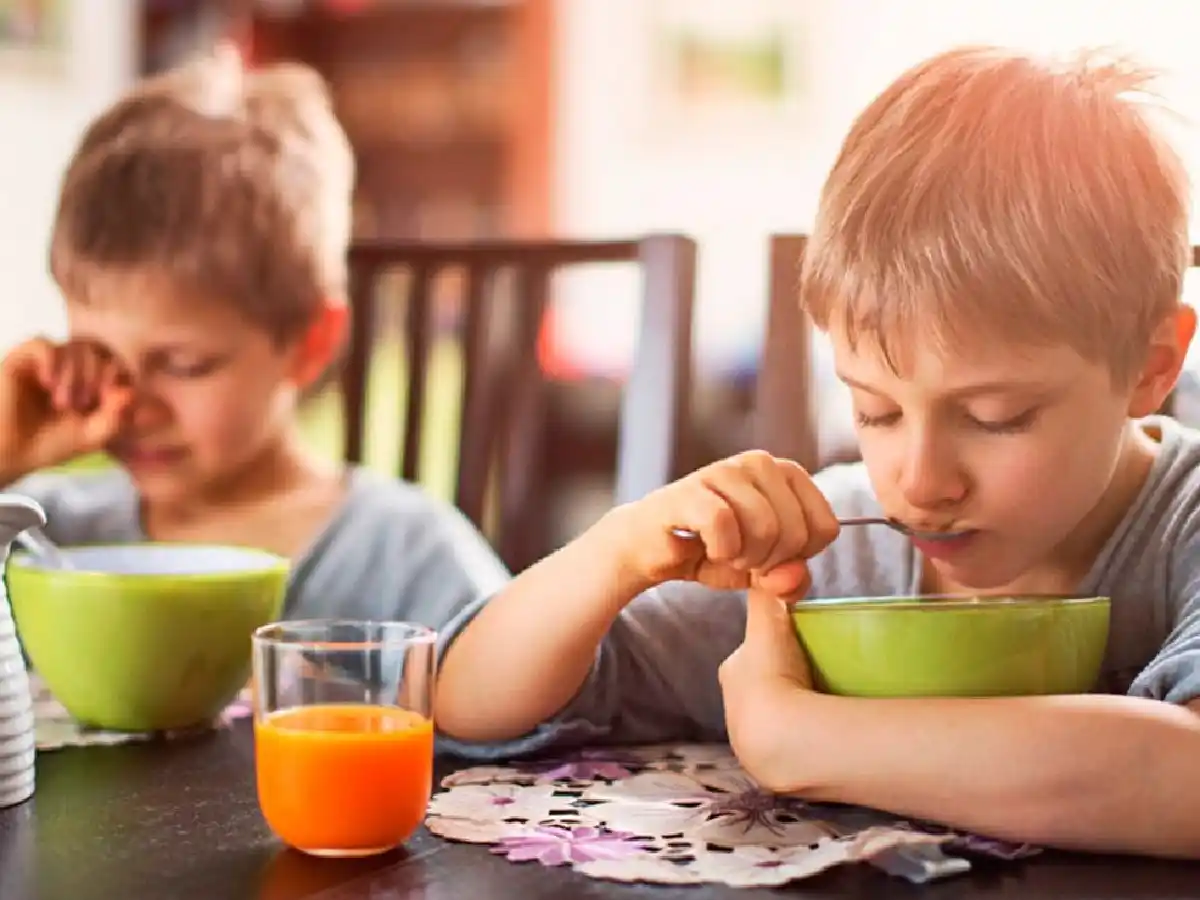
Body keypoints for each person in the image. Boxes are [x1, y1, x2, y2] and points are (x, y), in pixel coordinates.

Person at [434, 46, 1200, 858]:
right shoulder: (833, 555)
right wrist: (620, 552)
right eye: (874, 410)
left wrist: (803, 740)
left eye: (995, 416)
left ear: (1151, 367)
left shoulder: (1182, 530)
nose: (918, 480)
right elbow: (471, 701)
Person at [0, 46, 509, 660]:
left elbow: (519, 721)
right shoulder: (41, 533)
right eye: (97, 356)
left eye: (183, 365)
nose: (127, 404)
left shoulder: (407, 555)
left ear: (308, 342)